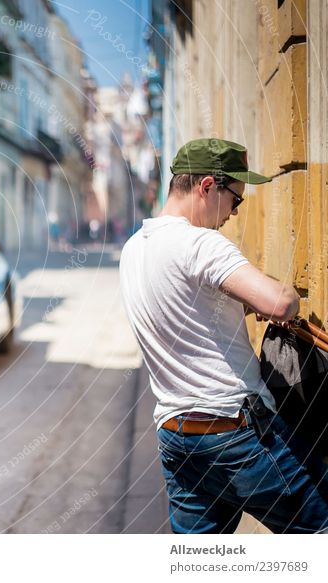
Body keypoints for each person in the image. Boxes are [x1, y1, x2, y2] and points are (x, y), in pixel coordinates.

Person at [119, 138, 328, 533]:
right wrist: (278, 298)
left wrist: (236, 306)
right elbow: (281, 303)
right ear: (208, 187)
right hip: (236, 435)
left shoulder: (134, 249)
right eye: (236, 199)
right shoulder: (200, 243)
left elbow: (184, 311)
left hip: (177, 439)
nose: (234, 212)